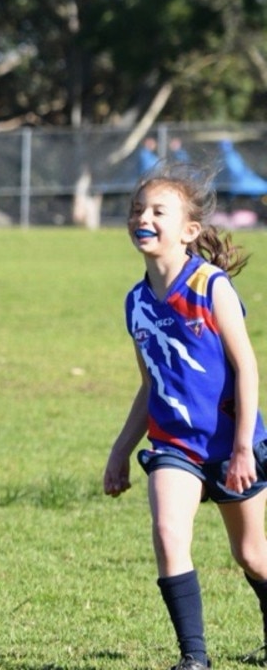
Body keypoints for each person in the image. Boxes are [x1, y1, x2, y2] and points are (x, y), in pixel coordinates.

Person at [103, 165, 267, 670]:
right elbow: (150, 384)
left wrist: (243, 447)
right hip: (174, 444)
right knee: (169, 533)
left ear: (189, 230)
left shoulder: (208, 285)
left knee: (253, 556)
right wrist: (120, 450)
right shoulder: (136, 302)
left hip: (230, 442)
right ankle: (194, 658)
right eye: (137, 210)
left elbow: (247, 368)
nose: (143, 219)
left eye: (157, 211)